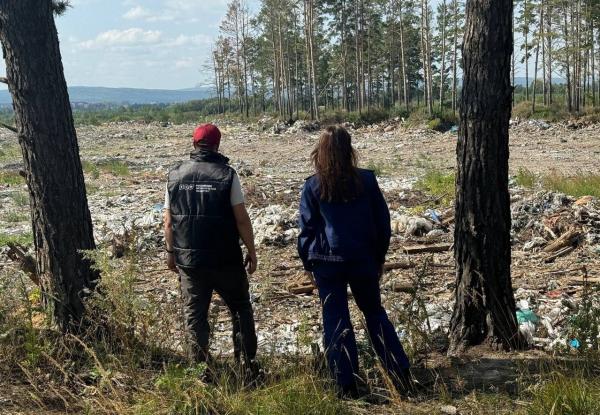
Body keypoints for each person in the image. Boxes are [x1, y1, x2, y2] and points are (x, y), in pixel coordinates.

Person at [297, 125, 411, 398]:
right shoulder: (367, 181)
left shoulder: (313, 186)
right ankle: (399, 374)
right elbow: (383, 223)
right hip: (362, 258)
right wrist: (379, 257)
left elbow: (306, 231)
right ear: (349, 150)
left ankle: (345, 384)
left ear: (320, 152)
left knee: (335, 320)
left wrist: (308, 264)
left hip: (327, 261)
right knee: (374, 313)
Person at [163, 123, 259, 376]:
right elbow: (241, 219)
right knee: (240, 308)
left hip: (190, 260)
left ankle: (199, 371)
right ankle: (247, 366)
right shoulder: (227, 175)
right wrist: (251, 250)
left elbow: (168, 220)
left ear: (194, 144)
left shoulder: (175, 175)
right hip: (225, 258)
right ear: (217, 145)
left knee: (195, 315)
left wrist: (170, 253)